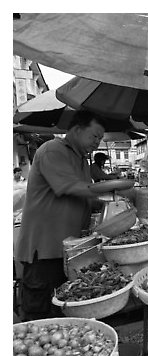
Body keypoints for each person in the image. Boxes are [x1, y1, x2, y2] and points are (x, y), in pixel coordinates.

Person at [15, 110, 108, 321]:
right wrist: (110, 190)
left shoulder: (82, 160)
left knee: (64, 310)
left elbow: (87, 196)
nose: (97, 142)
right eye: (94, 136)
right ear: (76, 129)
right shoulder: (53, 150)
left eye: (100, 139)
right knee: (39, 314)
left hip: (69, 250)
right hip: (45, 251)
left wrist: (116, 202)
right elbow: (68, 187)